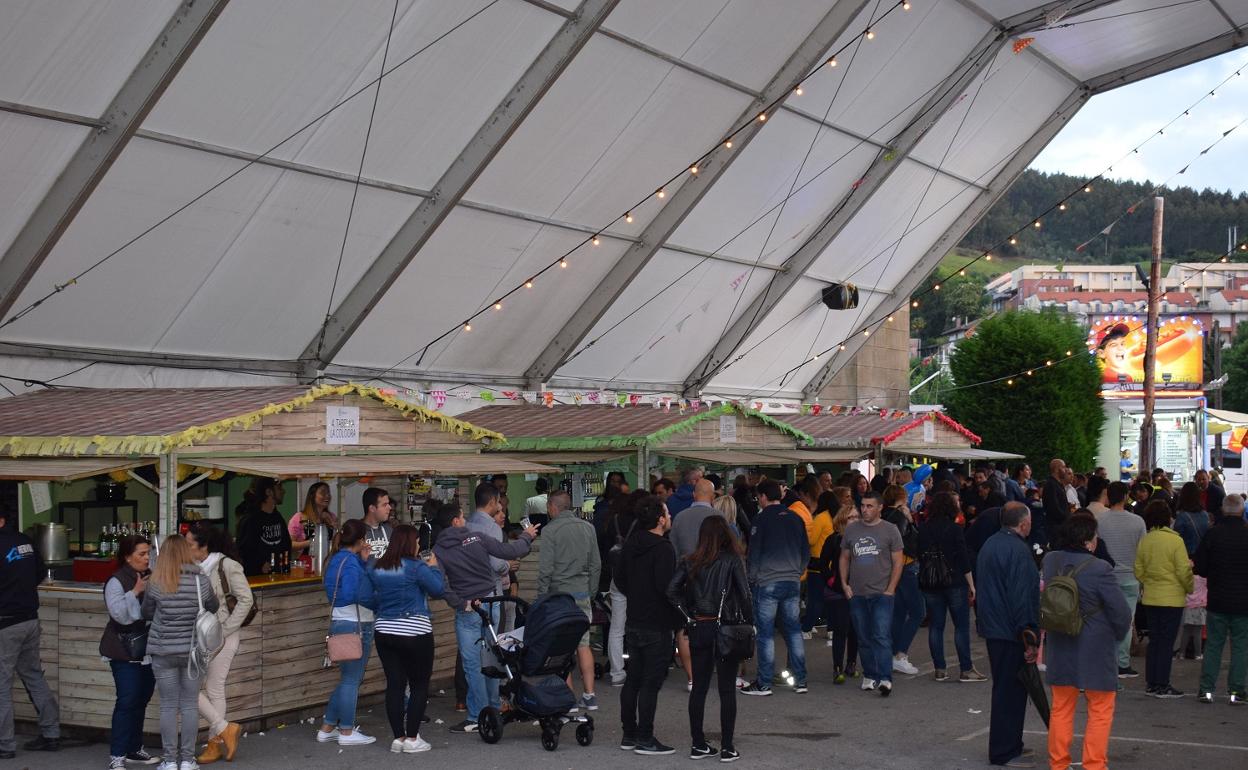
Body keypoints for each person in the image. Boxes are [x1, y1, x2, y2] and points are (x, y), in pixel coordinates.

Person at [433, 500, 536, 734]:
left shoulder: (439, 551)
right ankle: (492, 707)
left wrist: (460, 603)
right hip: (491, 603)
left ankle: (476, 715)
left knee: (472, 663)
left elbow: (439, 585)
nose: (466, 521)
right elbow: (511, 551)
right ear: (455, 521)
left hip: (468, 609)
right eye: (462, 517)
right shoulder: (477, 537)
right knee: (492, 658)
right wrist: (527, 536)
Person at [1043, 516, 1133, 770]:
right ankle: (1094, 764)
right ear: (1088, 542)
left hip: (1060, 642)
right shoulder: (1100, 568)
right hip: (1095, 645)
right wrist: (1117, 635)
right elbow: (1121, 612)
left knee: (1061, 707)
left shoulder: (1051, 561)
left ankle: (1058, 763)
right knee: (1100, 708)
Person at [667, 516, 751, 763]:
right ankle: (727, 747)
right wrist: (749, 624)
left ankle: (698, 743)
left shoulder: (690, 561)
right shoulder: (733, 560)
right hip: (726, 627)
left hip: (699, 626)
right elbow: (745, 594)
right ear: (726, 534)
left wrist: (689, 616)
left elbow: (671, 591)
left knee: (699, 687)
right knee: (727, 690)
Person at [142, 535, 219, 770]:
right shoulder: (200, 581)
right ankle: (187, 760)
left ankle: (168, 761)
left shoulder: (156, 582)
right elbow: (213, 607)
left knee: (167, 705)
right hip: (192, 652)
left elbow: (146, 612)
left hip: (163, 651)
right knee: (188, 705)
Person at [616, 495, 682, 755]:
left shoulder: (632, 544)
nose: (669, 517)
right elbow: (668, 588)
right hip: (657, 623)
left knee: (634, 678)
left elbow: (620, 578)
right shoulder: (663, 548)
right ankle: (645, 736)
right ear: (659, 518)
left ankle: (629, 733)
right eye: (666, 513)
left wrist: (636, 594)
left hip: (635, 619)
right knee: (650, 683)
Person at [975, 502, 1040, 768]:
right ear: (1023, 523)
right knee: (1010, 692)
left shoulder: (990, 544)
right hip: (1010, 630)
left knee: (1007, 689)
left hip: (994, 627)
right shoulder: (1018, 551)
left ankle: (1010, 744)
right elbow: (1022, 597)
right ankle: (1004, 750)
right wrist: (1029, 635)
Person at [370, 524, 444, 754]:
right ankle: (413, 738)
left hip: (383, 630)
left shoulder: (378, 567)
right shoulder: (417, 567)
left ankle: (398, 737)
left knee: (395, 684)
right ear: (410, 543)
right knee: (419, 684)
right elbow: (438, 590)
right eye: (417, 541)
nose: (420, 545)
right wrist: (434, 568)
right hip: (414, 631)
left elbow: (372, 596)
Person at [187, 523, 252, 764]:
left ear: (204, 545)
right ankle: (223, 731)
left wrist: (225, 629)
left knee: (197, 686)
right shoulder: (191, 568)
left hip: (222, 635)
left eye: (190, 543)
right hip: (201, 634)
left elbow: (246, 599)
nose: (186, 547)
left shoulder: (226, 565)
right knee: (211, 687)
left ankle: (216, 740)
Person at [0, 508, 60, 763]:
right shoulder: (25, 541)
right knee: (33, 676)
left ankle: (5, 744)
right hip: (29, 620)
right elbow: (39, 573)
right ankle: (51, 733)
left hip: (5, 624)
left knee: (1, 686)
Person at [535, 489, 601, 712]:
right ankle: (590, 695)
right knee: (583, 645)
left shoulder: (550, 531)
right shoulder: (588, 528)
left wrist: (542, 598)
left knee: (560, 649)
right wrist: (590, 592)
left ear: (553, 507)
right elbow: (595, 565)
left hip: (558, 597)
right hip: (582, 593)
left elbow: (545, 570)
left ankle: (568, 698)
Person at [741, 480, 808, 696]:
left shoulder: (760, 519)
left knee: (766, 634)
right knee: (793, 631)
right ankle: (800, 680)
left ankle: (764, 683)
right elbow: (805, 550)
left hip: (767, 581)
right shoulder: (795, 518)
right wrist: (797, 572)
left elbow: (754, 553)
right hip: (792, 581)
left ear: (762, 497)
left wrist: (752, 580)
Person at [317, 519, 379, 746]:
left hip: (340, 622)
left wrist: (363, 561)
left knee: (347, 679)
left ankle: (327, 727)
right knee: (352, 680)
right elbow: (356, 594)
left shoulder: (336, 559)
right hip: (356, 625)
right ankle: (346, 731)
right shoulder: (351, 563)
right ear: (361, 540)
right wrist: (377, 603)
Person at [839, 491, 903, 696]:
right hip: (857, 593)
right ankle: (870, 674)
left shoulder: (890, 530)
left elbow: (898, 561)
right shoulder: (852, 530)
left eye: (869, 506)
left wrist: (891, 588)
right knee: (863, 636)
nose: (865, 510)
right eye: (863, 506)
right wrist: (845, 584)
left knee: (881, 636)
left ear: (880, 507)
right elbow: (844, 557)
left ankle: (885, 678)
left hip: (882, 593)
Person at [100, 534, 157, 769]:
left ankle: (134, 748)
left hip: (148, 647)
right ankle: (117, 754)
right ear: (127, 557)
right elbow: (120, 615)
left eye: (148, 553)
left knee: (141, 698)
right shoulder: (116, 581)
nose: (147, 559)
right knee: (127, 700)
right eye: (141, 554)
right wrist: (134, 592)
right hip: (124, 649)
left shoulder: (150, 576)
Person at [917, 491, 984, 683]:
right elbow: (963, 558)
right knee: (961, 626)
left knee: (936, 626)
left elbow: (919, 553)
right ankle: (966, 669)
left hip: (930, 581)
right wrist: (972, 585)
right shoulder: (955, 529)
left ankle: (940, 668)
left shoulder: (923, 528)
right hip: (954, 581)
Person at [1134, 499, 1193, 698]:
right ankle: (1163, 684)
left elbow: (1138, 569)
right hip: (1172, 598)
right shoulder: (1176, 541)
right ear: (1168, 518)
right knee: (1167, 643)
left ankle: (1151, 683)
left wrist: (1149, 581)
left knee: (1155, 640)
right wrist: (1189, 587)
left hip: (1151, 597)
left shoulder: (1146, 540)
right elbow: (1183, 570)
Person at [1193, 494, 1248, 704]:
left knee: (1214, 645)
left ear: (1223, 510)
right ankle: (1237, 691)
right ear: (1242, 510)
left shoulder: (1212, 534)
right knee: (1241, 646)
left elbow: (1200, 567)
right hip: (1244, 601)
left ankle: (1206, 689)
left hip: (1217, 599)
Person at [1092, 481, 1147, 680]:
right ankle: (1122, 663)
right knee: (1126, 620)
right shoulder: (1138, 521)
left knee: (1105, 620)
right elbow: (1143, 552)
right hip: (1131, 577)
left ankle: (1105, 660)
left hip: (1106, 577)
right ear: (1125, 496)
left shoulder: (1099, 520)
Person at [602, 490, 644, 687]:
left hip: (617, 578)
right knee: (640, 625)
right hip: (639, 579)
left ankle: (616, 672)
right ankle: (639, 669)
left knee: (617, 628)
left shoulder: (614, 520)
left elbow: (605, 548)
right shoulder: (643, 523)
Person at [881, 484, 922, 677]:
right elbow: (907, 541)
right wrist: (910, 520)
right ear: (902, 498)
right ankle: (900, 654)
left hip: (893, 568)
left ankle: (892, 654)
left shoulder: (883, 516)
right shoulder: (899, 516)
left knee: (899, 612)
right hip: (906, 566)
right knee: (917, 612)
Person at [818, 496, 859, 683]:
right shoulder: (834, 540)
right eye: (851, 517)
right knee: (841, 630)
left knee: (855, 630)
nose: (856, 520)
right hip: (837, 592)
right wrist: (832, 581)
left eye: (857, 517)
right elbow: (822, 564)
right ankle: (837, 667)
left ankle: (851, 664)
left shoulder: (863, 539)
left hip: (859, 591)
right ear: (843, 520)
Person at [236, 477, 293, 575]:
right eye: (279, 488)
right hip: (257, 580)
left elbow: (286, 545)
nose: (283, 491)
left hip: (278, 576)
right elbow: (243, 552)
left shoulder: (277, 517)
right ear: (268, 492)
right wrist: (259, 565)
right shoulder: (251, 520)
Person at [801, 487, 837, 639]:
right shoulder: (835, 517)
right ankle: (831, 630)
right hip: (832, 564)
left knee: (815, 599)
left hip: (817, 564)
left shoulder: (821, 517)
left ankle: (807, 628)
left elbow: (812, 540)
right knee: (831, 600)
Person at [289, 481, 336, 557]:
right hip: (307, 563)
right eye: (323, 493)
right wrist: (311, 542)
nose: (327, 496)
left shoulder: (332, 516)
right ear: (312, 496)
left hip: (327, 561)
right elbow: (290, 544)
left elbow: (338, 542)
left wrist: (332, 523)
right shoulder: (299, 517)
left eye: (328, 493)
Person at [356, 487, 394, 564]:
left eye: (388, 504)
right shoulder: (356, 531)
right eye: (385, 505)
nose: (389, 508)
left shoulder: (389, 530)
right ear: (372, 508)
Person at [1173, 481, 1211, 557]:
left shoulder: (1182, 516)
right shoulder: (1205, 514)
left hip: (1188, 554)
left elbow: (1176, 538)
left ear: (1183, 496)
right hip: (1203, 554)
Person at [1042, 458, 1071, 537]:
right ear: (1057, 469)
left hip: (1061, 526)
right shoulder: (1050, 485)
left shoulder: (1058, 484)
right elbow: (1054, 507)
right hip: (1056, 528)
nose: (1065, 470)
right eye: (1064, 467)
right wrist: (1067, 518)